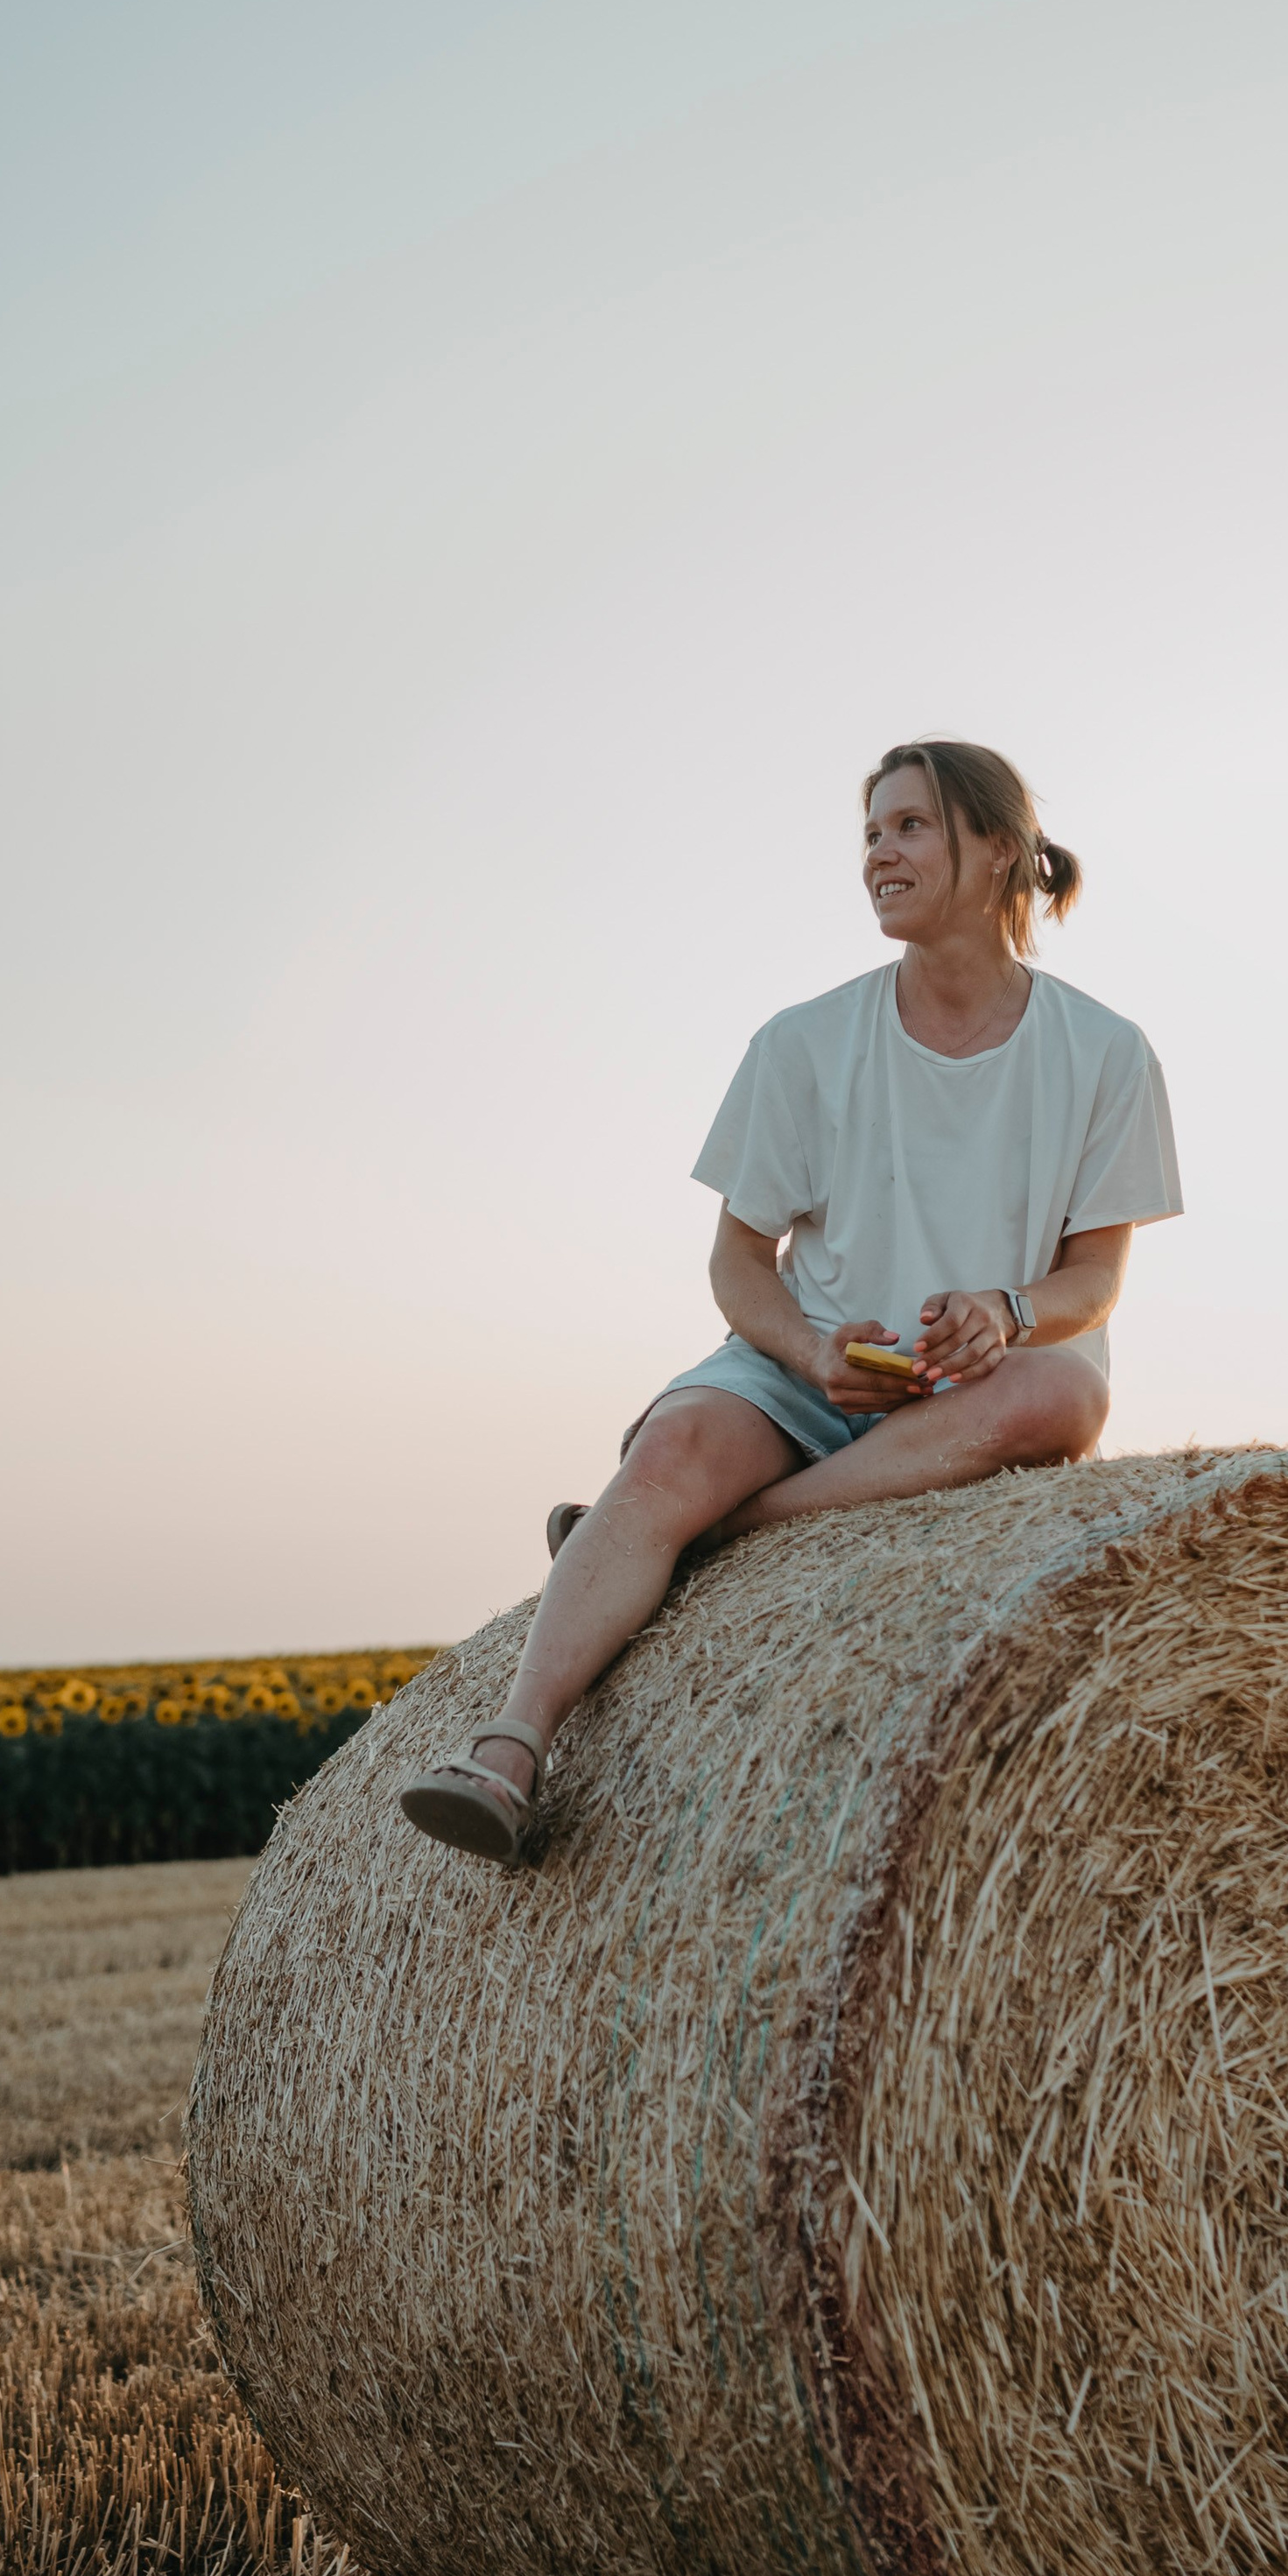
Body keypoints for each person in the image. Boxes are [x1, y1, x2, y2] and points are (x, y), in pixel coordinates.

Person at [398, 739, 1181, 1860]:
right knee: (670, 1448)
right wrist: (810, 1349)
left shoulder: (1105, 1054)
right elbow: (736, 1263)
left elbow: (1093, 1284)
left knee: (1061, 1397)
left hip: (980, 1385)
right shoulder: (806, 1042)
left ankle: (704, 1540)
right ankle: (510, 1750)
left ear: (998, 847)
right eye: (871, 833)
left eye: (909, 827)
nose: (879, 853)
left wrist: (1005, 1312)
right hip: (804, 1372)